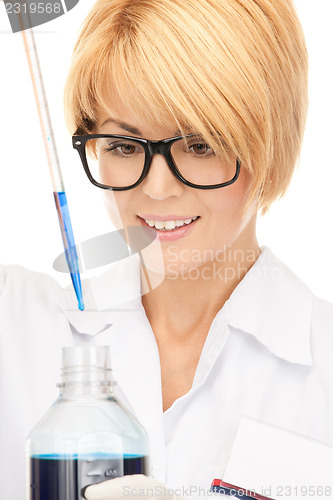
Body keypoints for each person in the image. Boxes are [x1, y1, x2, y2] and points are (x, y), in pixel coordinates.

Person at [1, 0, 333, 499]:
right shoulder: (18, 327)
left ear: (271, 142)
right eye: (124, 145)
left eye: (199, 145)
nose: (156, 189)